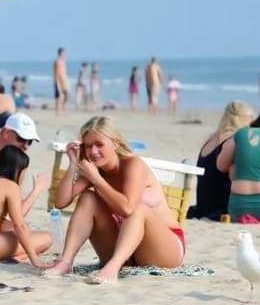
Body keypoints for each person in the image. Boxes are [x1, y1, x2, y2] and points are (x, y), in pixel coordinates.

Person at [42, 116, 186, 282]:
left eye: (99, 144)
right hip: (127, 251)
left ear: (115, 144)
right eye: (88, 146)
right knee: (88, 197)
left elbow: (127, 209)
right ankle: (65, 262)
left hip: (164, 250)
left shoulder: (133, 165)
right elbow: (60, 202)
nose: (94, 151)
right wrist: (73, 163)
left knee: (137, 207)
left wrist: (96, 180)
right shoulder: (95, 171)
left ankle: (112, 269)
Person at [186, 101, 254, 220]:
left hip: (203, 206)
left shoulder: (212, 139)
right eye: (251, 117)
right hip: (219, 207)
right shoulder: (233, 141)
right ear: (241, 118)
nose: (253, 122)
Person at [53, 48, 69, 114]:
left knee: (64, 96)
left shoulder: (62, 61)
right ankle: (58, 111)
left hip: (64, 81)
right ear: (60, 53)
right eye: (63, 53)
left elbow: (63, 72)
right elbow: (57, 73)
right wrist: (57, 82)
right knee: (59, 97)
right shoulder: (57, 61)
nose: (64, 54)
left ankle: (60, 110)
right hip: (59, 81)